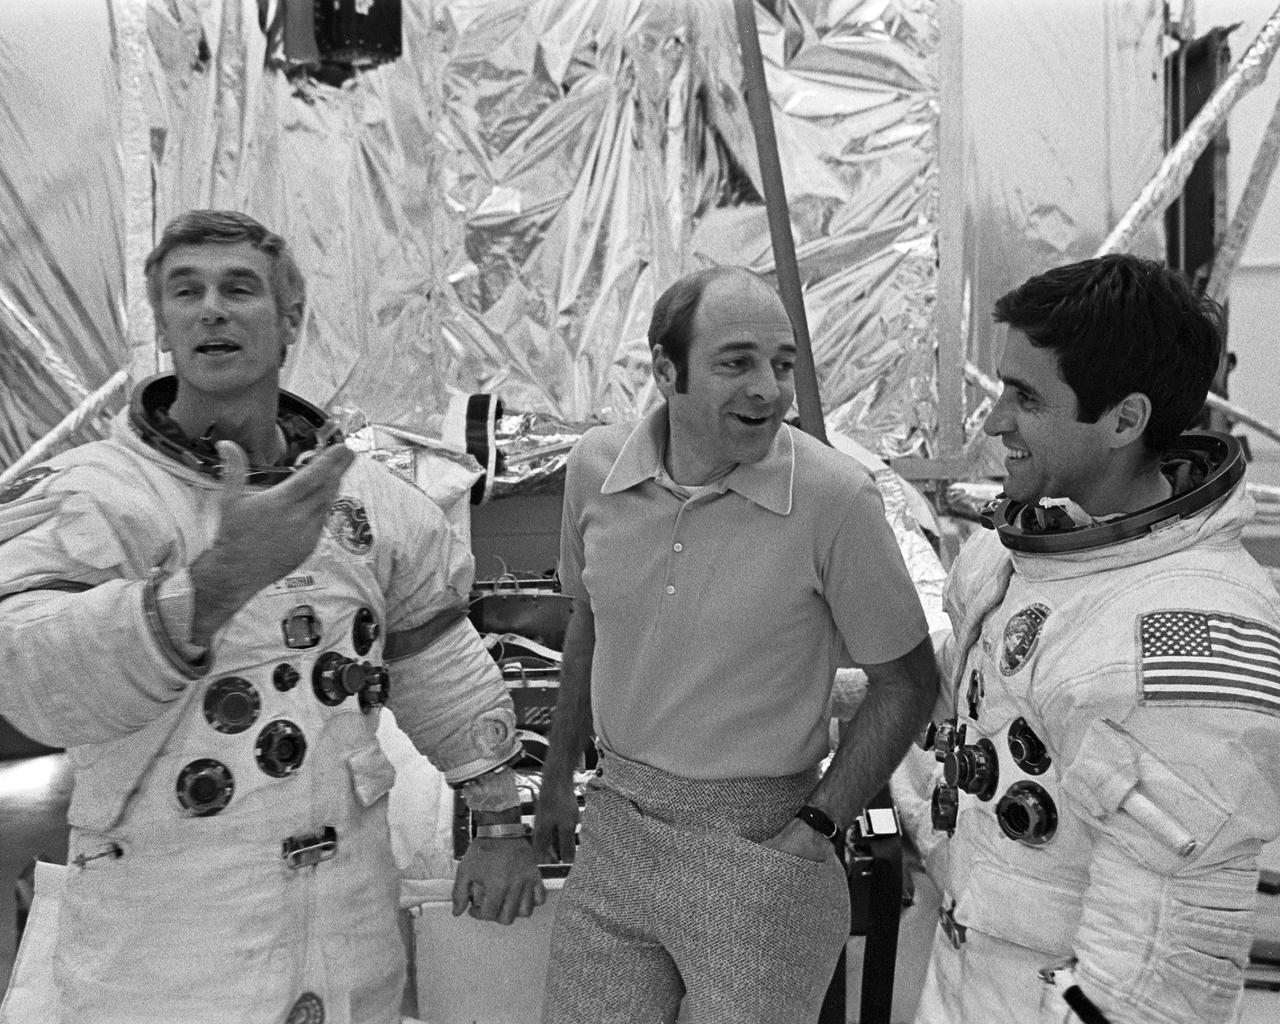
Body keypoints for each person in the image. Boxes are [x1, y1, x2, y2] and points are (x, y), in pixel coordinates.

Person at [0, 209, 544, 1024]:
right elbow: (29, 676)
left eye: (239, 289)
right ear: (163, 325)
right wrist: (214, 585)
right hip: (166, 942)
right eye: (186, 292)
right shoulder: (97, 496)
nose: (211, 310)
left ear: (290, 320)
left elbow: (436, 661)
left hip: (347, 923)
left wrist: (499, 824)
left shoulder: (363, 500)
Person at [533, 265, 939, 1023]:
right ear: (666, 371)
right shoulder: (595, 467)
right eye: (736, 362)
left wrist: (818, 826)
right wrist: (559, 777)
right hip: (618, 826)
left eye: (782, 365)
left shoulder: (835, 497)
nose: (770, 390)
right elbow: (587, 620)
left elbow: (908, 681)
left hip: (762, 843)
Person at [914, 253, 1280, 1023]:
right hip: (967, 974)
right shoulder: (1014, 555)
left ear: (1124, 420)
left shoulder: (1180, 638)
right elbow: (970, 711)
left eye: (1025, 397)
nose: (994, 422)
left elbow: (1155, 982)